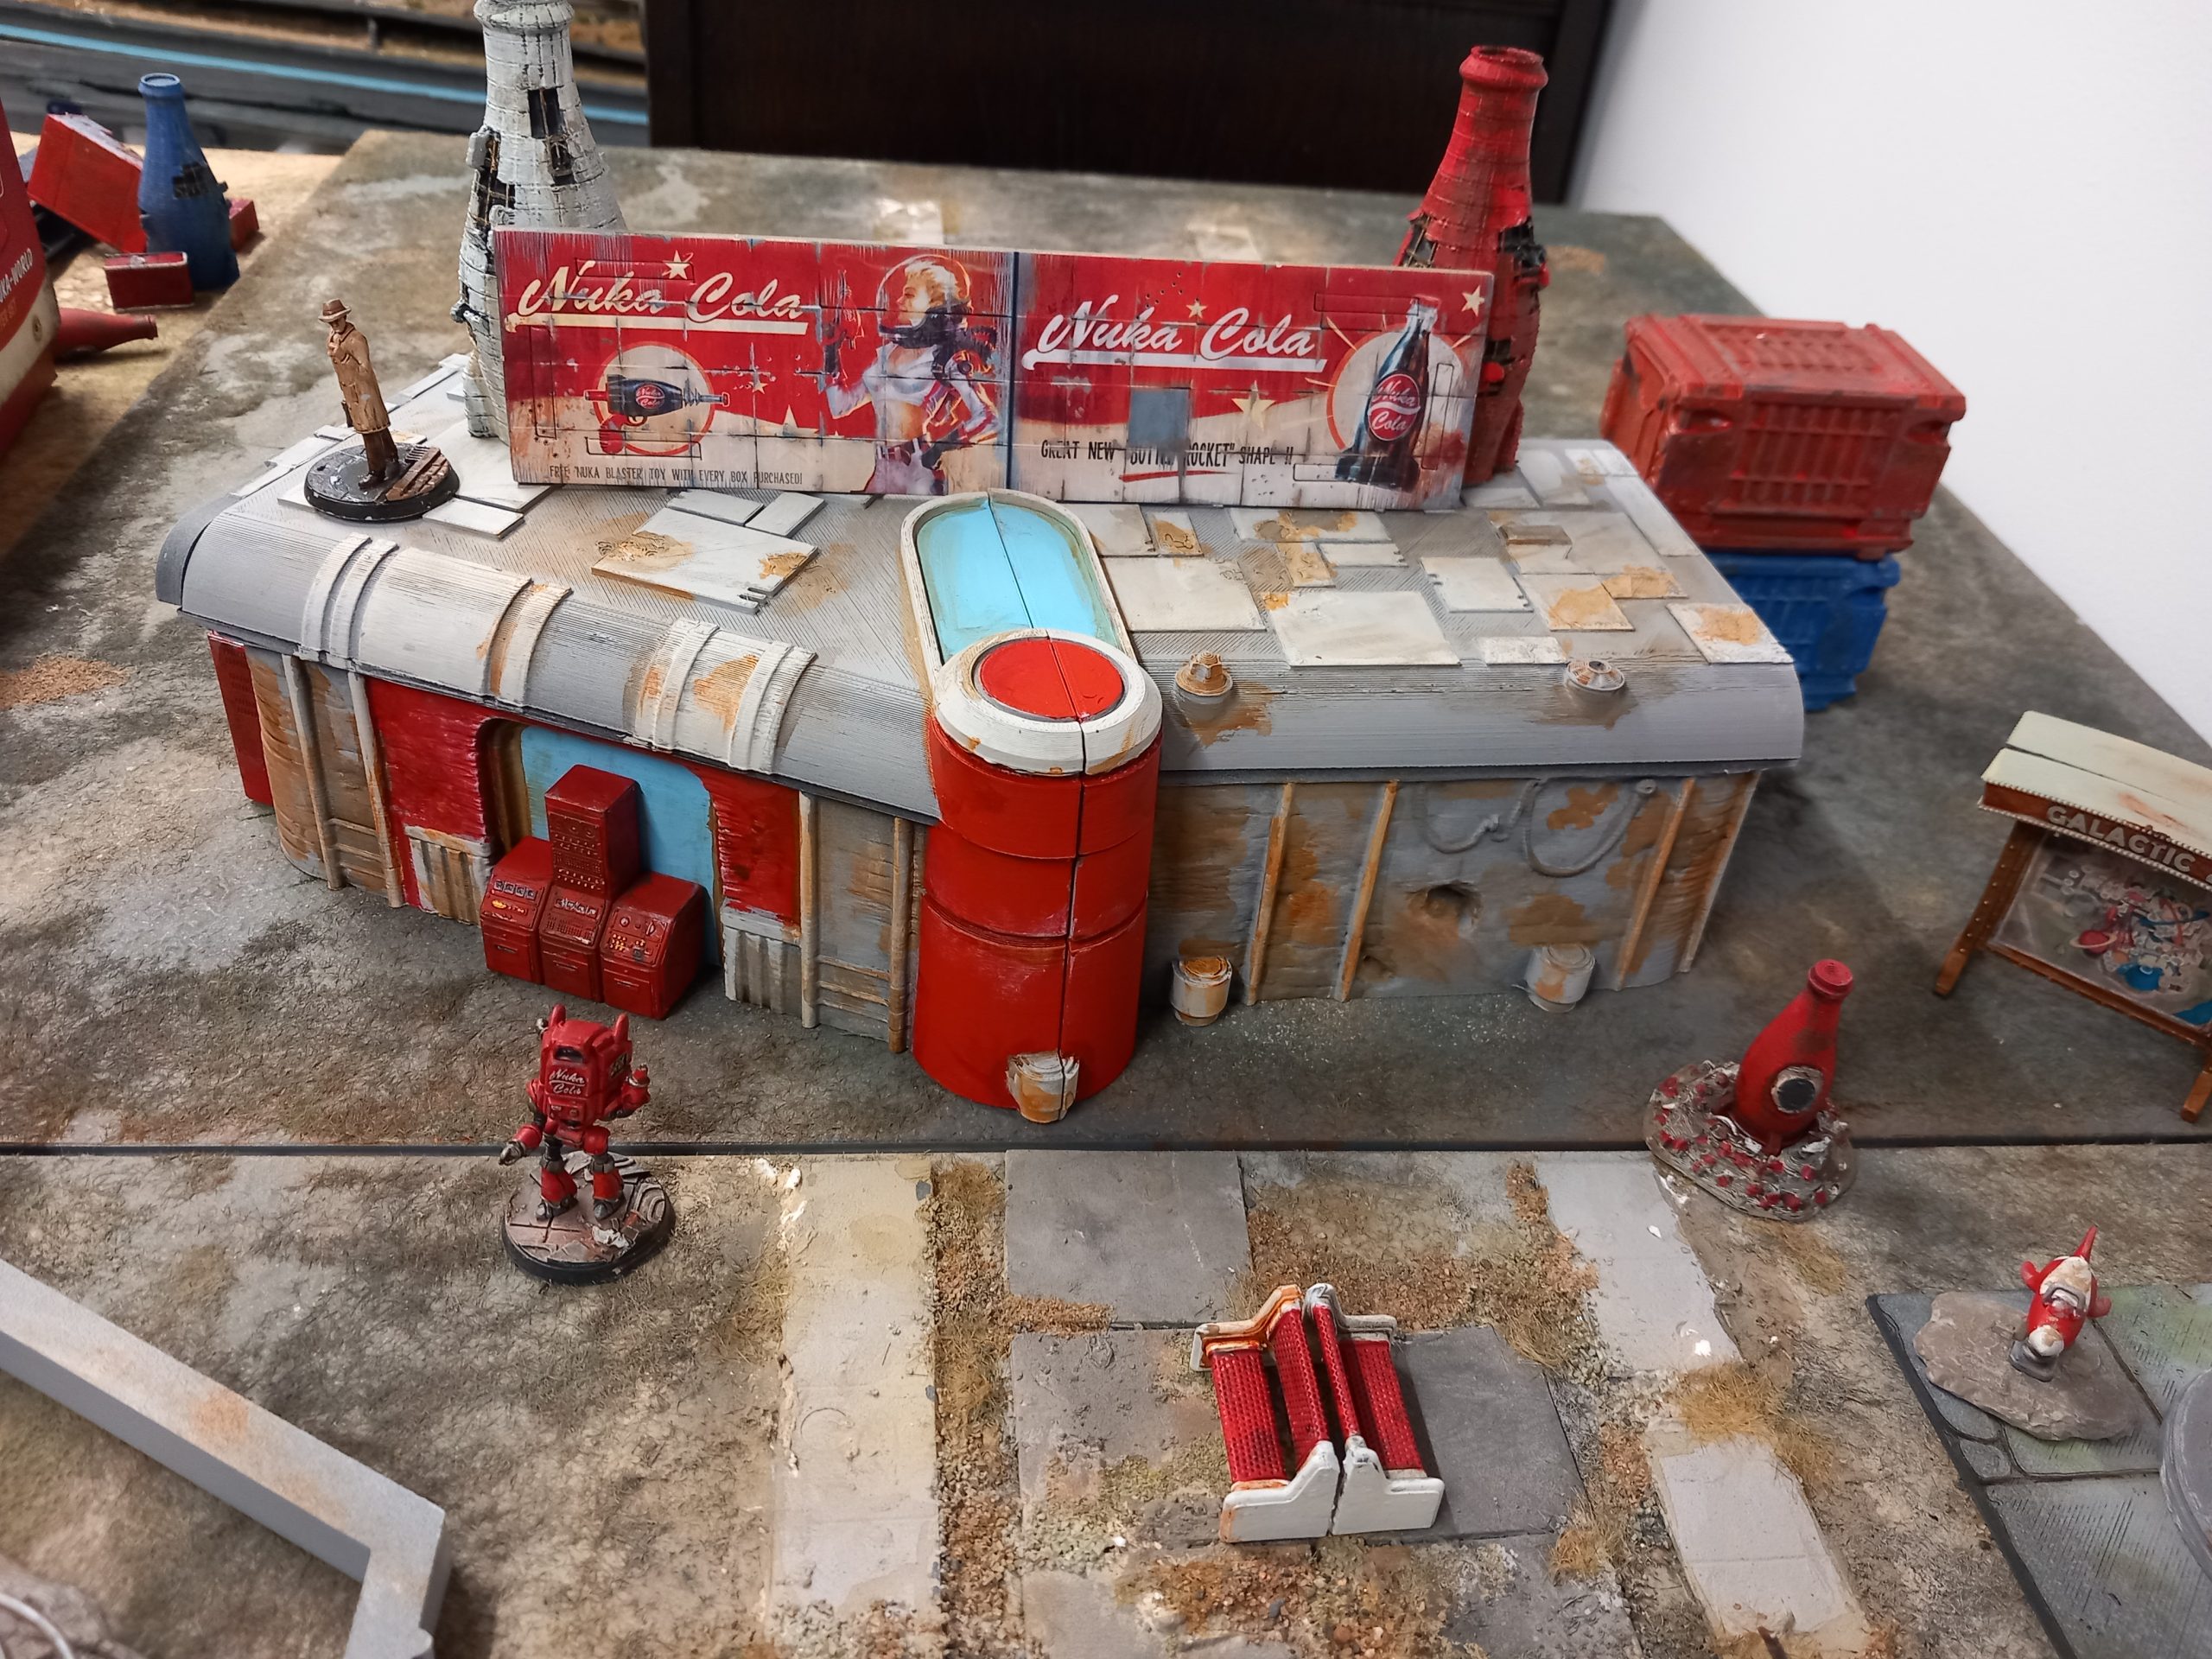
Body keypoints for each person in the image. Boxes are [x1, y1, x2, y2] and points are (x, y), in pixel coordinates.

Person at [820, 254, 999, 493]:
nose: (899, 300)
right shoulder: (887, 353)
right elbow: (840, 406)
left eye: (909, 295)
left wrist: (940, 448)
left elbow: (989, 419)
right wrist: (832, 352)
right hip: (883, 468)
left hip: (918, 469)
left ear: (936, 305)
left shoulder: (946, 358)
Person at [322, 298, 398, 482]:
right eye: (330, 322)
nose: (334, 325)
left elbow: (365, 371)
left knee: (370, 430)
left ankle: (376, 472)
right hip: (351, 392)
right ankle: (391, 455)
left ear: (344, 317)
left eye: (337, 320)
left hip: (365, 392)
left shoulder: (356, 340)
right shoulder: (333, 337)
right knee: (376, 427)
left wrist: (343, 356)